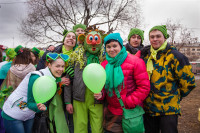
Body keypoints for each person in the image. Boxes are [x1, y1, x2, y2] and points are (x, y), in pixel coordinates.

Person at [138, 25, 196, 133]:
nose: (155, 39)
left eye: (158, 36)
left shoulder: (176, 56)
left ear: (164, 38)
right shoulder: (146, 56)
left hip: (168, 110)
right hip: (149, 108)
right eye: (152, 37)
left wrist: (175, 95)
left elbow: (189, 83)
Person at [94, 33, 150, 133]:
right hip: (111, 112)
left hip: (129, 112)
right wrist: (101, 94)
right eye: (108, 47)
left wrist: (128, 102)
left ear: (121, 46)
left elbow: (144, 87)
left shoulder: (136, 62)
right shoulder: (104, 64)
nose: (111, 49)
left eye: (115, 46)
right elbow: (104, 87)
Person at [1, 52, 69, 133]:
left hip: (29, 115)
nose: (61, 69)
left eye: (62, 66)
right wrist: (42, 108)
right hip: (13, 114)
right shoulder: (36, 77)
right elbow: (31, 103)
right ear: (49, 65)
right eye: (57, 66)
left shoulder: (54, 79)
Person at [64, 28, 106, 133]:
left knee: (97, 128)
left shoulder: (105, 58)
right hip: (79, 97)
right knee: (80, 128)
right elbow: (68, 81)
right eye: (90, 40)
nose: (93, 43)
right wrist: (68, 101)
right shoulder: (77, 57)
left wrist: (103, 94)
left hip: (97, 99)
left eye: (96, 40)